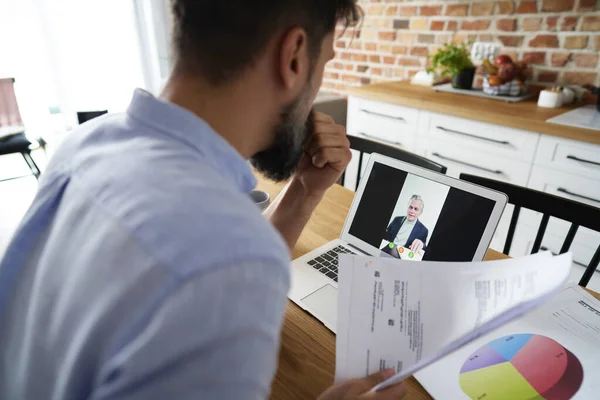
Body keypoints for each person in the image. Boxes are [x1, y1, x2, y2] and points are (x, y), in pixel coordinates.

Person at [0, 1, 407, 399]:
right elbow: (222, 260)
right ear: (295, 56)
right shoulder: (228, 256)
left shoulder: (83, 145)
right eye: (325, 64)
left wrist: (305, 190)